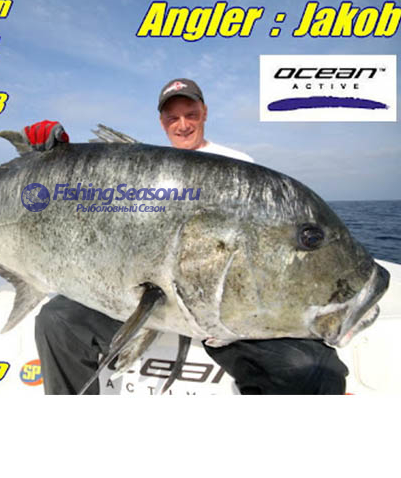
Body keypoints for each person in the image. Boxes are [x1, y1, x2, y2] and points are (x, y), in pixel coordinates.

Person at [27, 79, 349, 395]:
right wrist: (59, 157)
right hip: (148, 297)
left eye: (191, 114)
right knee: (56, 320)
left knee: (311, 369)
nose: (182, 125)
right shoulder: (140, 170)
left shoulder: (239, 168)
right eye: (173, 117)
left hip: (221, 310)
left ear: (204, 113)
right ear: (162, 122)